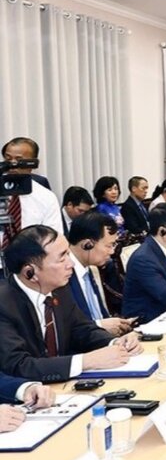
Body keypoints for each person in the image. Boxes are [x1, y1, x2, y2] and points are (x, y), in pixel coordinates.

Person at [0, 226, 141, 382]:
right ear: (30, 272)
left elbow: (81, 329)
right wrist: (86, 361)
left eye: (68, 253)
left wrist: (114, 342)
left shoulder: (59, 289)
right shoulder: (4, 304)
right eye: (62, 258)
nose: (71, 264)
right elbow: (18, 365)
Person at [67, 212, 135, 336]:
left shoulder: (92, 269)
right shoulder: (62, 274)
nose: (112, 251)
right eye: (109, 245)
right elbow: (67, 328)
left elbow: (101, 316)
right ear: (87, 244)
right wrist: (100, 325)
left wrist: (117, 325)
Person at [0, 139, 62, 249]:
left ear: (33, 163)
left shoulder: (46, 197)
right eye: (8, 158)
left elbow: (53, 237)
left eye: (19, 160)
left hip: (30, 261)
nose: (12, 164)